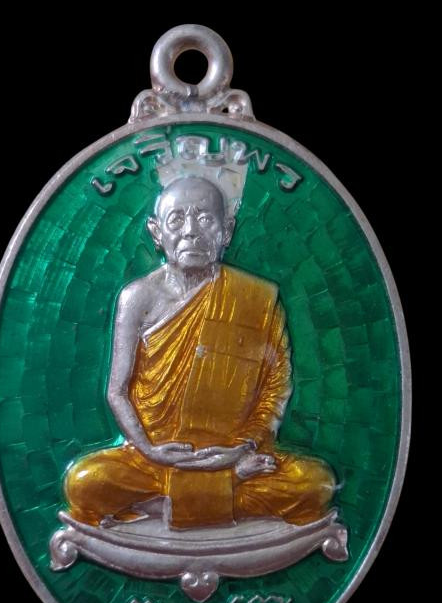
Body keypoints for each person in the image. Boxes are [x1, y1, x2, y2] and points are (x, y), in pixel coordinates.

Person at [65, 175, 335, 529]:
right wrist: (149, 449)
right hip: (154, 460)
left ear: (227, 231)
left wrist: (245, 448)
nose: (191, 231)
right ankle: (221, 491)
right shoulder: (138, 297)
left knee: (316, 483)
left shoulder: (257, 298)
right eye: (176, 219)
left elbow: (275, 388)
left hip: (234, 454)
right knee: (84, 483)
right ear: (156, 232)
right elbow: (117, 390)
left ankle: (172, 500)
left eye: (205, 219)